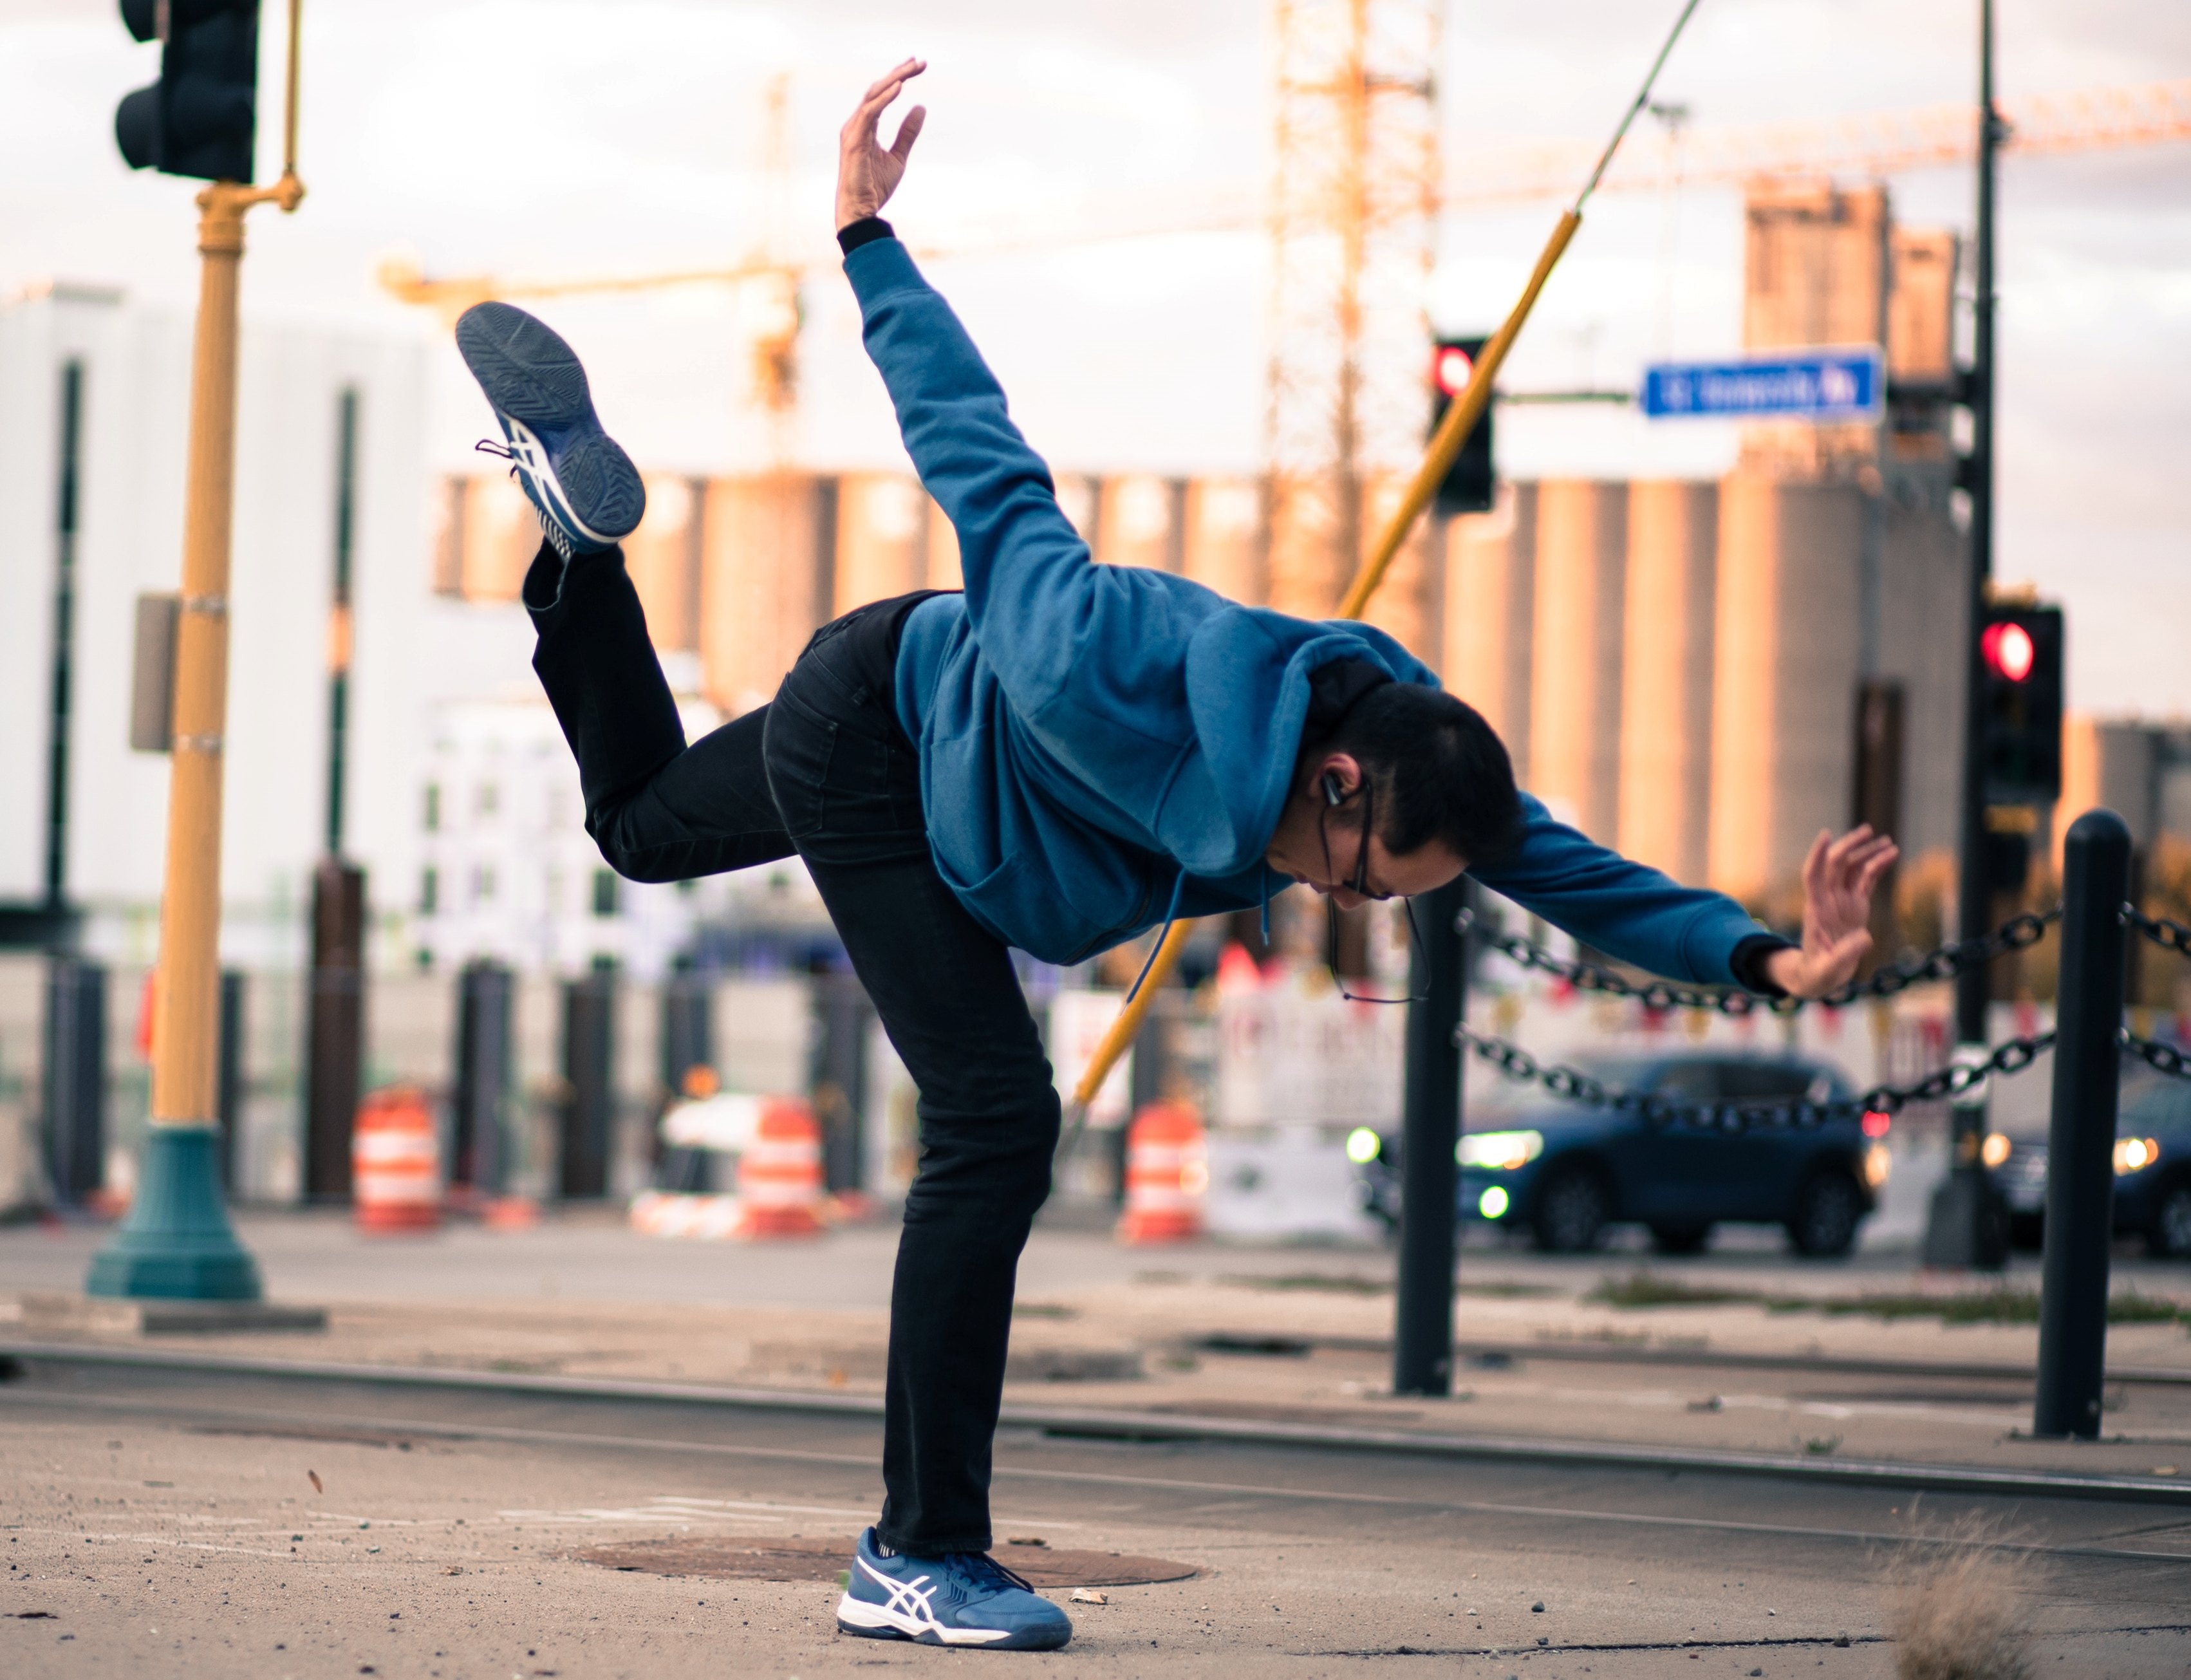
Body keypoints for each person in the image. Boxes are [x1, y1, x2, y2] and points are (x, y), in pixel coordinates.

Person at [454, 57, 1897, 1653]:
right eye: (1353, 878)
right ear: (1336, 786)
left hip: (958, 800)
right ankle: (915, 1554)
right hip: (875, 731)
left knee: (641, 830)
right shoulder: (1104, 657)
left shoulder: (1415, 773)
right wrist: (869, 246)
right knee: (999, 1121)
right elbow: (981, 461)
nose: (1339, 901)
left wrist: (1772, 957)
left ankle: (576, 555)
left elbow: (1571, 874)